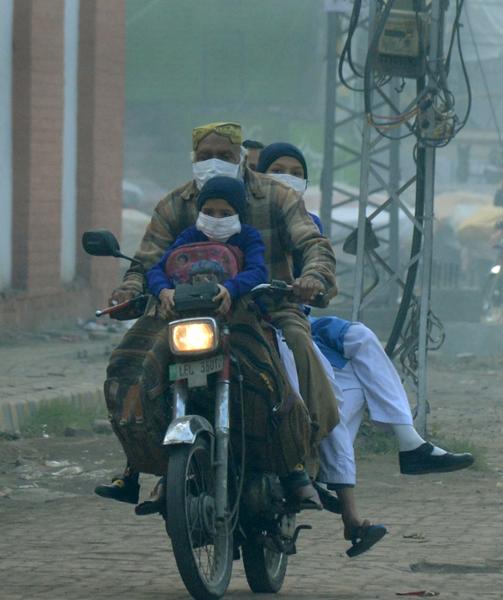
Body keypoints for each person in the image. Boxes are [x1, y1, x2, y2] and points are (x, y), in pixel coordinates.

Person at [95, 123, 339, 509]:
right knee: (128, 365)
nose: (213, 162)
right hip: (180, 309)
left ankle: (302, 458)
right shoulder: (174, 205)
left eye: (224, 155)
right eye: (204, 155)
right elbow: (148, 261)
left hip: (264, 306)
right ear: (193, 158)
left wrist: (313, 277)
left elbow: (312, 242)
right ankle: (143, 463)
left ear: (240, 157)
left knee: (298, 347)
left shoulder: (276, 196)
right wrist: (130, 290)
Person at [257, 141, 474, 555]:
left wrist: (314, 281)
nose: (286, 178)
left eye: (295, 172)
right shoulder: (243, 218)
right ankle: (347, 502)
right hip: (258, 322)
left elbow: (322, 269)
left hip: (297, 321)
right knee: (341, 391)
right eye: (277, 169)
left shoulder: (308, 223)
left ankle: (408, 441)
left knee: (357, 340)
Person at [146, 176, 268, 318]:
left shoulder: (248, 236)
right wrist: (163, 290)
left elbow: (258, 271)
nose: (216, 219)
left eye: (225, 214)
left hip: (236, 309)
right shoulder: (190, 235)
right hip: (186, 310)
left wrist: (230, 289)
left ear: (238, 214)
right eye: (208, 212)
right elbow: (157, 269)